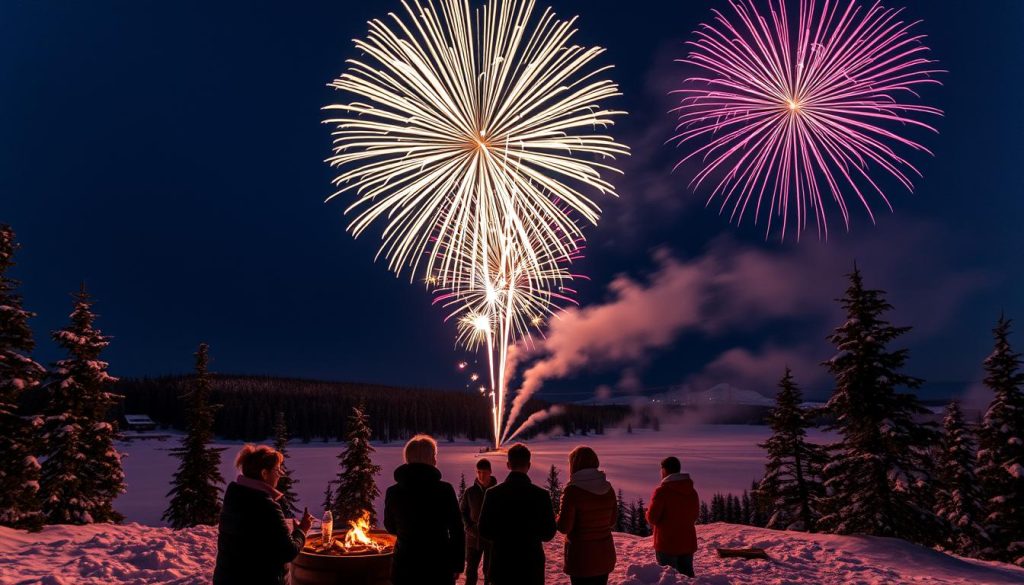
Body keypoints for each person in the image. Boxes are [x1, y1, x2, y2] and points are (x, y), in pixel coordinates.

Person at [213, 444, 314, 585]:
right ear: (264, 474)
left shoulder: (235, 497)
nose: (280, 475)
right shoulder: (266, 506)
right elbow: (288, 551)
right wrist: (302, 530)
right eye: (277, 470)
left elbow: (258, 542)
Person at [383, 434, 465, 585]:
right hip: (438, 567)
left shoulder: (393, 492)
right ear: (431, 458)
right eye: (434, 455)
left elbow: (390, 526)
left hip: (405, 565)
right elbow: (457, 531)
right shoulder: (445, 490)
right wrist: (457, 564)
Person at [478, 443, 556, 585]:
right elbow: (549, 533)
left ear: (508, 465)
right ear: (529, 465)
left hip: (502, 565)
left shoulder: (493, 494)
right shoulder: (541, 495)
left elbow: (484, 529)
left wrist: (503, 535)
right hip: (531, 567)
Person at [556, 446, 617, 585]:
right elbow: (612, 521)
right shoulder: (608, 488)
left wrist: (557, 517)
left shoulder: (572, 491)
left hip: (581, 559)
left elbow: (564, 527)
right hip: (604, 555)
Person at [646, 456, 699, 578]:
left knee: (669, 578)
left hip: (667, 544)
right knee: (688, 578)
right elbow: (695, 515)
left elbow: (652, 518)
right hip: (687, 542)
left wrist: (647, 512)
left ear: (664, 470)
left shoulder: (662, 491)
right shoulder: (691, 491)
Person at [460, 458, 498, 585]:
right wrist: (468, 527)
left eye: (484, 472)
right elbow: (463, 512)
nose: (482, 475)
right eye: (479, 472)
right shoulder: (470, 492)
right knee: (470, 572)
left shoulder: (497, 492)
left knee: (490, 572)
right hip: (473, 538)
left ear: (490, 472)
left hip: (491, 539)